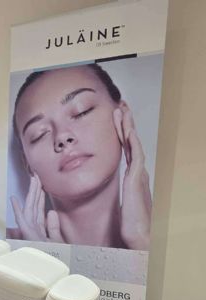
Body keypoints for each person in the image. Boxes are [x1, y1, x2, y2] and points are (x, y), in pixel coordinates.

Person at [8, 64, 151, 250]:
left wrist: (142, 240)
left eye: (82, 111)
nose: (62, 137)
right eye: (39, 134)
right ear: (26, 162)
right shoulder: (3, 248)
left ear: (124, 118)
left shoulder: (174, 239)